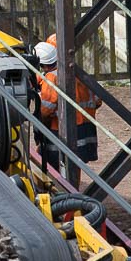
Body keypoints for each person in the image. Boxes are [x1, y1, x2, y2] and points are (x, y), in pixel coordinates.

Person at [32, 34, 100, 172]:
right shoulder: (77, 72)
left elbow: (45, 111)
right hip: (85, 127)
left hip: (60, 129)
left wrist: (39, 125)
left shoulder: (52, 78)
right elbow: (98, 100)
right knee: (75, 164)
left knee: (54, 165)